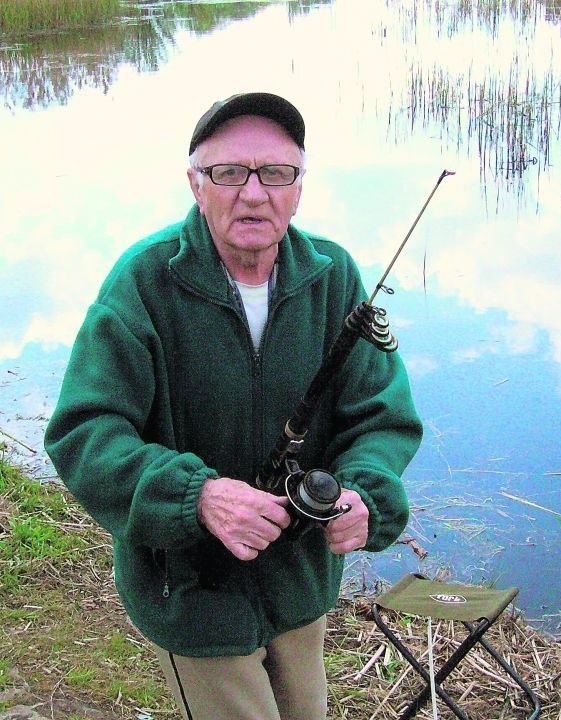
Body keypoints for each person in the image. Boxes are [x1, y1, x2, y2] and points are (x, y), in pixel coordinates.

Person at [44, 92, 423, 720]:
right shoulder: (142, 283)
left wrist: (364, 494)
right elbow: (85, 433)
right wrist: (197, 497)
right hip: (192, 591)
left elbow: (382, 417)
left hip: (301, 584)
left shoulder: (333, 277)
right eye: (228, 173)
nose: (254, 193)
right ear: (195, 183)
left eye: (276, 173)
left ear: (299, 186)